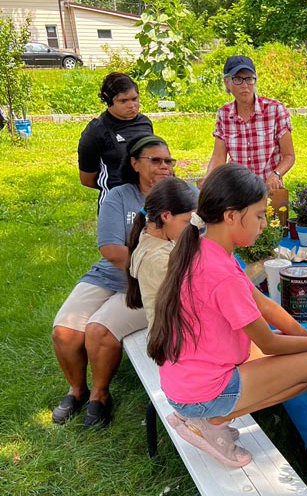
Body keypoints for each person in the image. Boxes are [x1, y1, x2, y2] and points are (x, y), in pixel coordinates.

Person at [148, 163, 307, 467]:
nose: (264, 224)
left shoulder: (204, 248)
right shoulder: (220, 272)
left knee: (296, 349)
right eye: (260, 215)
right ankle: (213, 421)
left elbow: (265, 305)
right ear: (231, 216)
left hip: (184, 381)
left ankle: (209, 417)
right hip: (200, 392)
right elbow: (270, 345)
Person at [51, 135, 175, 427]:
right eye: (155, 160)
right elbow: (110, 249)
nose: (164, 167)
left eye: (168, 161)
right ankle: (76, 390)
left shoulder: (182, 196)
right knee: (64, 331)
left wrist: (150, 267)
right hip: (108, 274)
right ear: (134, 163)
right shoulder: (119, 196)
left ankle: (100, 394)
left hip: (151, 284)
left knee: (99, 331)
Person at [206, 56, 294, 190]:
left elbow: (289, 156)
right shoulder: (224, 114)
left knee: (275, 211)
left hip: (270, 189)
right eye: (238, 79)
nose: (245, 85)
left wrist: (276, 174)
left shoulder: (275, 109)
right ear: (227, 83)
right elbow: (218, 156)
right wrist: (208, 179)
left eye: (249, 79)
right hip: (238, 191)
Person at [126, 177, 198, 328]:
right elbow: (191, 304)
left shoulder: (152, 236)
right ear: (166, 216)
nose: (192, 227)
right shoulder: (157, 259)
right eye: (187, 221)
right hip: (173, 342)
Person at [78, 72, 153, 209]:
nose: (132, 105)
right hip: (116, 203)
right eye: (123, 101)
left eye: (135, 99)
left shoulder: (145, 123)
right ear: (109, 100)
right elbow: (87, 179)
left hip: (146, 199)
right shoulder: (96, 131)